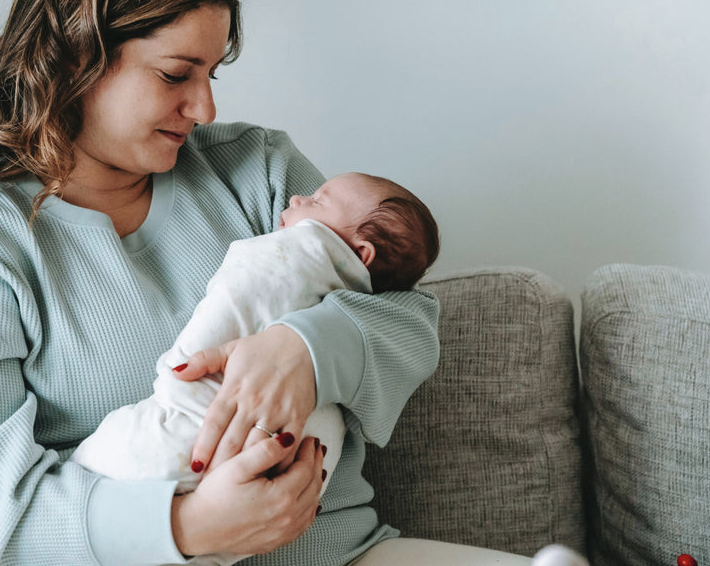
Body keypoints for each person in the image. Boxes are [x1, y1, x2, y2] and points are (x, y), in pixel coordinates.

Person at [0, 0, 551, 566]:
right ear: (76, 56)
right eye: (175, 74)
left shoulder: (257, 172)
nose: (202, 106)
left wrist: (310, 350)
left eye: (212, 72)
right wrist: (186, 525)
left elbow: (409, 316)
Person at [72, 172, 438, 503]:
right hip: (141, 526)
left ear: (360, 254)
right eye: (171, 90)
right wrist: (192, 527)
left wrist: (304, 347)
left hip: (323, 530)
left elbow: (418, 320)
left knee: (102, 453)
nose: (296, 200)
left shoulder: (274, 193)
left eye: (316, 200)